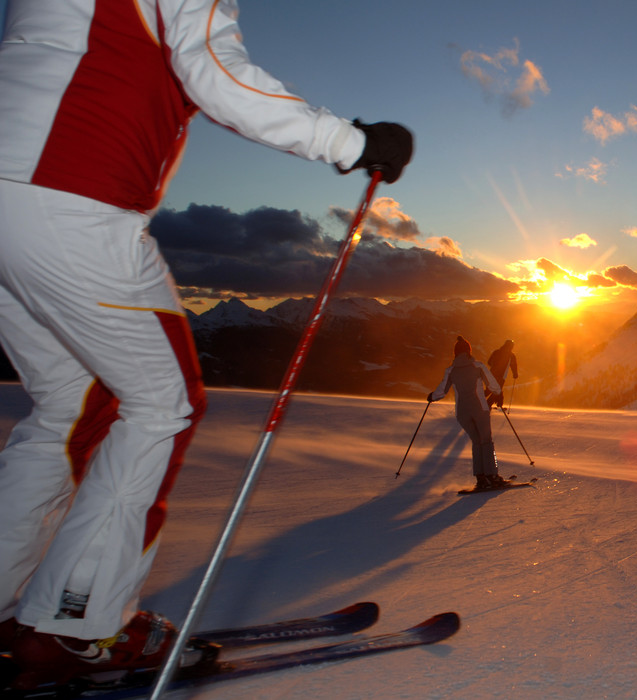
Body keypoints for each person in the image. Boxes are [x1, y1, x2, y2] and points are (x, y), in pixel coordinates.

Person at [0, 0, 413, 689]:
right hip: (73, 199)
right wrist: (350, 142)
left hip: (17, 202)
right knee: (161, 403)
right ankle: (78, 625)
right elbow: (213, 69)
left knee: (67, 407)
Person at [427, 336, 505, 490]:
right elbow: (495, 386)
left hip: (462, 412)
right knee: (486, 441)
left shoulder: (451, 370)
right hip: (479, 410)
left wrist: (431, 396)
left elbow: (441, 392)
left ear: (455, 353)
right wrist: (495, 393)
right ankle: (492, 476)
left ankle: (481, 478)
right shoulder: (478, 366)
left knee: (476, 442)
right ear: (469, 351)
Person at [485, 339, 519, 409]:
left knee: (489, 390)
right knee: (496, 391)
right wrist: (515, 374)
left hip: (491, 374)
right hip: (501, 377)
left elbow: (489, 362)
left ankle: (477, 401)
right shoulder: (511, 356)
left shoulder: (496, 352)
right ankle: (487, 405)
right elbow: (514, 366)